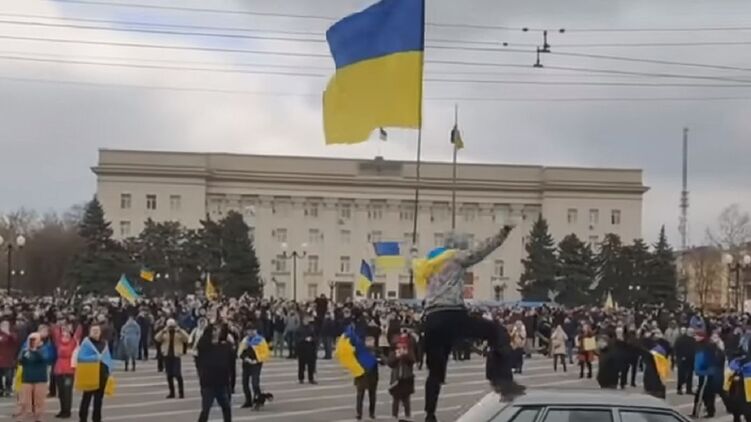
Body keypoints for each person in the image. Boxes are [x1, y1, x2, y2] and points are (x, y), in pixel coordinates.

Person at [420, 227, 523, 422]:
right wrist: (502, 234)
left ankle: (430, 415)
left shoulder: (430, 264)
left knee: (434, 372)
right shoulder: (455, 257)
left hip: (431, 319)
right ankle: (503, 381)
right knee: (495, 331)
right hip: (452, 314)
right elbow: (480, 251)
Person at [196, 323, 233, 422]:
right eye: (215, 330)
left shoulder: (225, 346)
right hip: (208, 383)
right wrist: (210, 326)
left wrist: (230, 382)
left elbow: (231, 364)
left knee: (226, 407)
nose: (217, 332)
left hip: (222, 382)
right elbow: (200, 345)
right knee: (206, 409)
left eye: (218, 330)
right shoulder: (205, 346)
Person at [76, 324, 113, 422]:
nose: (96, 332)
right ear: (89, 332)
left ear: (100, 332)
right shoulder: (86, 343)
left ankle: (97, 419)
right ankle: (82, 418)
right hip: (90, 375)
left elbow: (108, 358)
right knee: (86, 398)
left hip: (102, 375)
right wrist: (95, 358)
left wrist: (110, 371)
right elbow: (80, 358)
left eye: (97, 330)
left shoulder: (104, 343)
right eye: (93, 330)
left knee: (99, 399)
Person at [17, 333, 49, 422]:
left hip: (40, 378)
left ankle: (39, 418)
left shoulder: (44, 349)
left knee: (39, 400)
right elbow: (20, 361)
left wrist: (35, 351)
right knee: (24, 400)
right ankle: (23, 417)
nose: (32, 341)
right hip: (27, 378)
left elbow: (45, 359)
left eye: (34, 339)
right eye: (30, 339)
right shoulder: (25, 350)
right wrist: (25, 352)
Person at [155, 318, 190, 399]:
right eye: (169, 326)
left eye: (172, 326)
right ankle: (172, 392)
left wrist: (180, 330)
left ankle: (181, 392)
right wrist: (162, 331)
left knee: (178, 374)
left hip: (176, 355)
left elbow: (187, 338)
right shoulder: (165, 332)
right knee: (169, 375)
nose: (171, 328)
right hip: (167, 355)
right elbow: (157, 338)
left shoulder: (178, 332)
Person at [238, 324, 270, 410]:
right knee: (245, 383)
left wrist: (257, 360)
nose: (251, 332)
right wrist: (245, 358)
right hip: (246, 363)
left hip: (256, 364)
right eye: (249, 330)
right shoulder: (245, 340)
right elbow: (240, 351)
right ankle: (248, 400)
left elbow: (266, 353)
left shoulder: (260, 340)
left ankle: (258, 400)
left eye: (253, 330)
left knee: (255, 383)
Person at [388, 333, 415, 421]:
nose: (401, 347)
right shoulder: (393, 352)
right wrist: (397, 357)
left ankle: (408, 415)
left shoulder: (409, 351)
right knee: (396, 398)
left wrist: (406, 355)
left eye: (403, 345)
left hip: (406, 378)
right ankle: (394, 415)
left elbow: (412, 361)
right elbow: (390, 363)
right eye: (399, 345)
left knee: (406, 398)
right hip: (396, 378)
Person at [53, 325, 77, 419]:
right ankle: (62, 410)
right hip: (59, 370)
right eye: (63, 335)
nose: (65, 336)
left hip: (69, 372)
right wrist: (59, 325)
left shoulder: (73, 343)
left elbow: (79, 332)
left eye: (67, 335)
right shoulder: (58, 342)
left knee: (67, 392)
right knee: (61, 392)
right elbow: (55, 331)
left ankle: (67, 411)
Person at [296, 316, 317, 385]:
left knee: (311, 365)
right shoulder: (299, 328)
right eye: (305, 320)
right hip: (302, 349)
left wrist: (312, 339)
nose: (306, 321)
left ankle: (311, 378)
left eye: (307, 320)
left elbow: (315, 337)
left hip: (310, 349)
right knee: (301, 365)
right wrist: (304, 339)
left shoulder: (311, 328)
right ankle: (301, 378)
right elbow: (297, 339)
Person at [675, 327, 696, 395]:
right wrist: (679, 357)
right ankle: (679, 389)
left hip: (691, 360)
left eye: (693, 332)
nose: (692, 333)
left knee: (690, 375)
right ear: (687, 332)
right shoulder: (680, 339)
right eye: (691, 332)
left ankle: (689, 389)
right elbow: (676, 348)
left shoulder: (693, 340)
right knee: (681, 375)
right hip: (682, 360)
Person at [0, 319, 18, 397]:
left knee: (9, 376)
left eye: (6, 325)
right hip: (0, 358)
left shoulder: (12, 334)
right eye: (3, 325)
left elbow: (15, 341)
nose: (5, 327)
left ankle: (8, 389)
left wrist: (8, 333)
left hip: (9, 359)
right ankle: (1, 389)